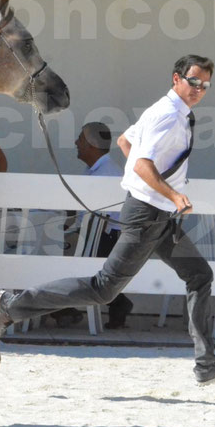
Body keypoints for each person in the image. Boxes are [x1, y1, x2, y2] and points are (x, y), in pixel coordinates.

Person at [0, 55, 215, 384]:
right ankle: (12, 306)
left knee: (199, 275)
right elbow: (141, 162)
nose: (199, 89)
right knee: (102, 289)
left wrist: (151, 185)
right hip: (147, 217)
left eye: (205, 85)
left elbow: (126, 142)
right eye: (193, 81)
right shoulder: (168, 116)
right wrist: (172, 194)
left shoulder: (170, 112)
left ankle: (206, 362)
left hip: (158, 218)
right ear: (176, 79)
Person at [70, 122, 133, 328]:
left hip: (105, 236)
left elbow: (99, 218)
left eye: (80, 139)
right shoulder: (100, 169)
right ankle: (117, 304)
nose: (76, 143)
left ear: (90, 145)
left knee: (59, 255)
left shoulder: (104, 174)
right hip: (99, 234)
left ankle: (62, 307)